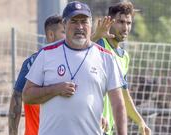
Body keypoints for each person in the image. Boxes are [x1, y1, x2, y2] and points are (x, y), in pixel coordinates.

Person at [22, 1, 127, 135]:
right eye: (74, 21)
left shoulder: (106, 57)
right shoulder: (46, 54)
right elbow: (27, 96)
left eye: (84, 21)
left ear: (91, 24)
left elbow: (118, 104)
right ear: (64, 25)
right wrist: (55, 89)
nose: (80, 27)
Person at [92, 1, 151, 135]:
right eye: (120, 22)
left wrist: (140, 121)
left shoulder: (124, 57)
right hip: (91, 126)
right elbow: (77, 52)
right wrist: (95, 36)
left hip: (109, 129)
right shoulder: (98, 45)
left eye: (128, 23)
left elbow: (124, 95)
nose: (125, 28)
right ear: (110, 22)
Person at [8, 15, 65, 135]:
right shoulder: (32, 62)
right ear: (51, 35)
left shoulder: (72, 62)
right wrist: (13, 133)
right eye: (64, 32)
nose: (68, 36)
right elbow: (17, 97)